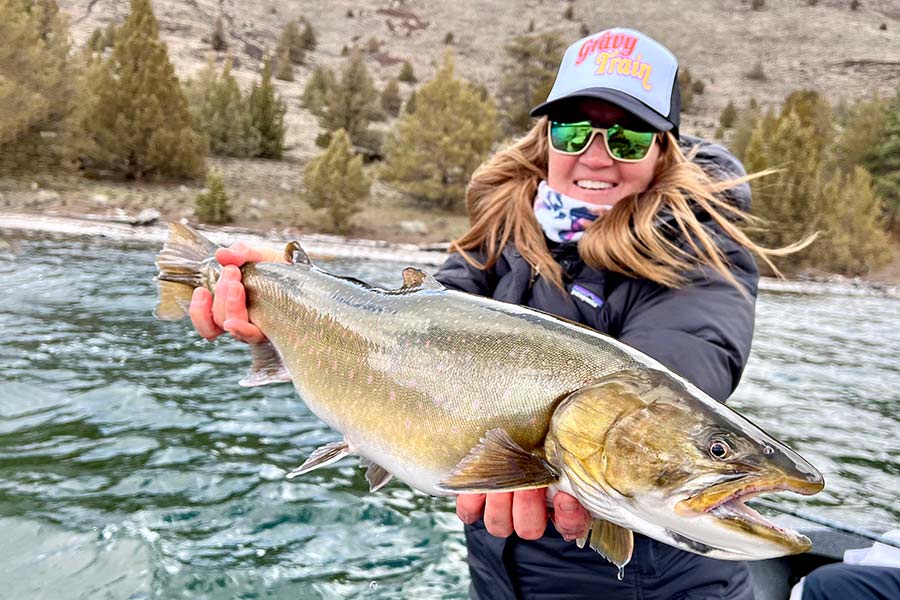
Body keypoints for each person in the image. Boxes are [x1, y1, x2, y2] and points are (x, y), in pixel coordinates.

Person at [189, 27, 795, 600]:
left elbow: (684, 365)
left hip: (653, 582)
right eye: (573, 130)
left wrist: (683, 456)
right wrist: (285, 283)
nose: (598, 154)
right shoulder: (504, 229)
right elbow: (409, 320)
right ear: (547, 137)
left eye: (629, 137)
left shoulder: (702, 250)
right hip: (499, 567)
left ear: (665, 151)